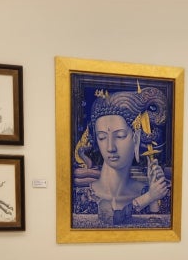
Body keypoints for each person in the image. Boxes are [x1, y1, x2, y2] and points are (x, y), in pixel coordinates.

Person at [73, 87, 170, 226]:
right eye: (102, 137)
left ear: (136, 138)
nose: (110, 148)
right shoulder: (81, 196)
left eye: (120, 136)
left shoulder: (154, 192)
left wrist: (153, 198)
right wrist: (147, 198)